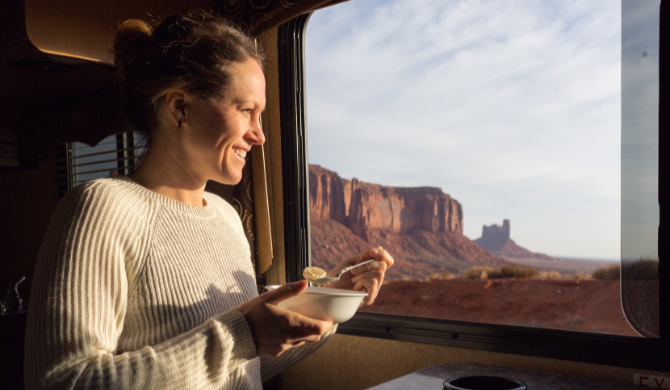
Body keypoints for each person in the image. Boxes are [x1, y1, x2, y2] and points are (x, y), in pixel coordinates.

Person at [24, 10, 394, 390]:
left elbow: (238, 367)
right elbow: (60, 381)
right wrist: (240, 335)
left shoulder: (227, 217)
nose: (259, 135)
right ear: (180, 107)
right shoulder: (100, 208)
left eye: (261, 115)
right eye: (246, 110)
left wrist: (330, 301)